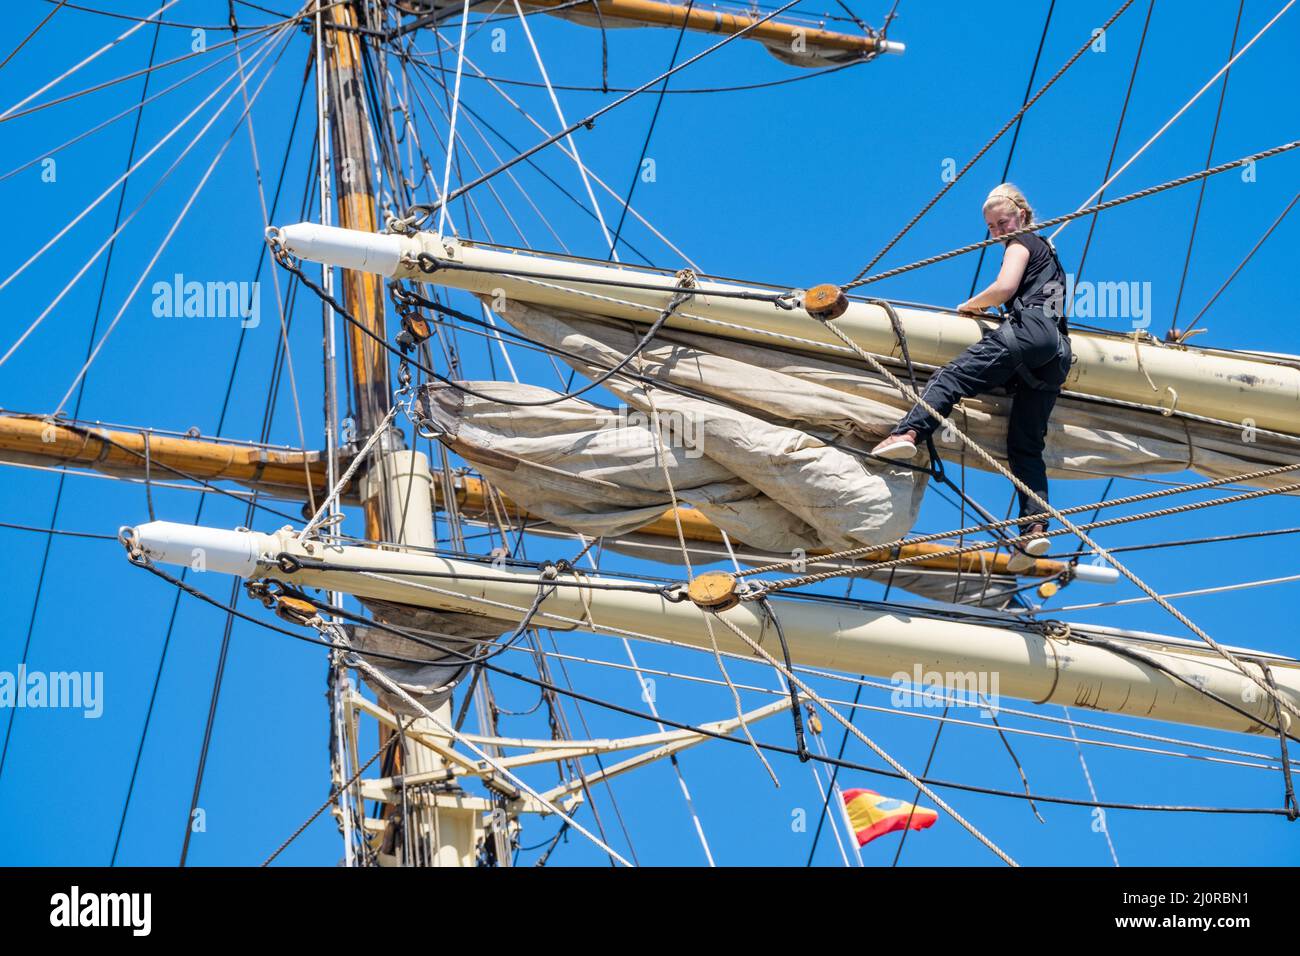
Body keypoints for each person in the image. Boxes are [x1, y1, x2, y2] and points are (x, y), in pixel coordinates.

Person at [870, 184, 1072, 573]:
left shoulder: (1022, 243)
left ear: (1022, 217)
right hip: (1057, 353)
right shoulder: (1051, 254)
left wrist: (969, 305)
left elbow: (1005, 288)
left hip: (1029, 333)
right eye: (992, 227)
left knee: (952, 377)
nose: (998, 232)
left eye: (1003, 222)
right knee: (1025, 446)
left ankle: (907, 433)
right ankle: (1034, 527)